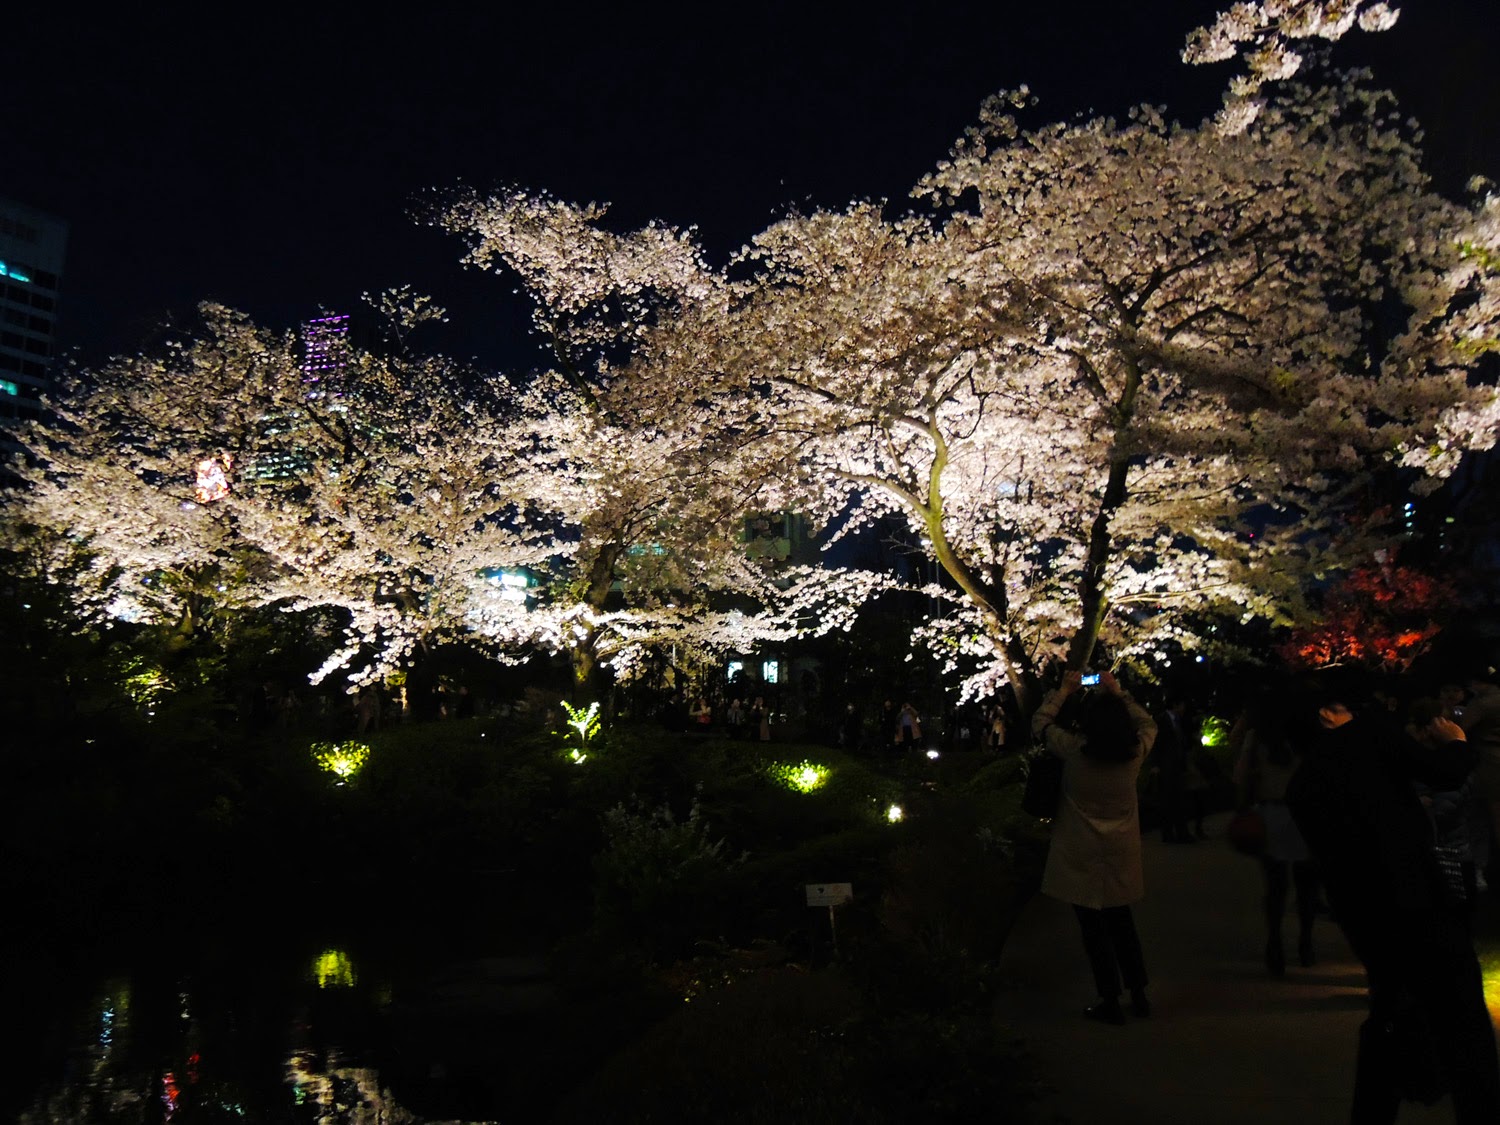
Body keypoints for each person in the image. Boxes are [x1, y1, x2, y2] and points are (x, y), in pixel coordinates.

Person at [1286, 681, 1499, 1123]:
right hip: (1421, 905)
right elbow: (1442, 773)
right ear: (1329, 713)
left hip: (1369, 920)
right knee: (1464, 1022)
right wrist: (1457, 743)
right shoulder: (1368, 736)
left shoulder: (1304, 783)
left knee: (1389, 1017)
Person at [1032, 670, 1157, 1025]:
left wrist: (1064, 689)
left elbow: (1040, 722)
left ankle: (1109, 999)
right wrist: (1119, 693)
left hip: (1080, 853)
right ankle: (1139, 993)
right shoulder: (1134, 754)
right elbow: (1148, 724)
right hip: (1120, 852)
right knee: (1122, 924)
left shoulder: (1073, 751)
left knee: (1093, 930)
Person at [1232, 694, 1319, 975]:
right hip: (1306, 816)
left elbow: (1241, 775)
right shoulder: (1310, 736)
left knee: (1276, 887)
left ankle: (1275, 945)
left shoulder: (1259, 737)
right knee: (1307, 887)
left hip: (1271, 814)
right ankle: (1306, 943)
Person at [1151, 696, 1197, 843]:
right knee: (1169, 800)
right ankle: (1171, 833)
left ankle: (1179, 833)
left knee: (1176, 800)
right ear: (1176, 705)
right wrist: (1156, 764)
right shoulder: (1162, 720)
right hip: (1167, 766)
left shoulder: (1176, 721)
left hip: (1174, 765)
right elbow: (1157, 743)